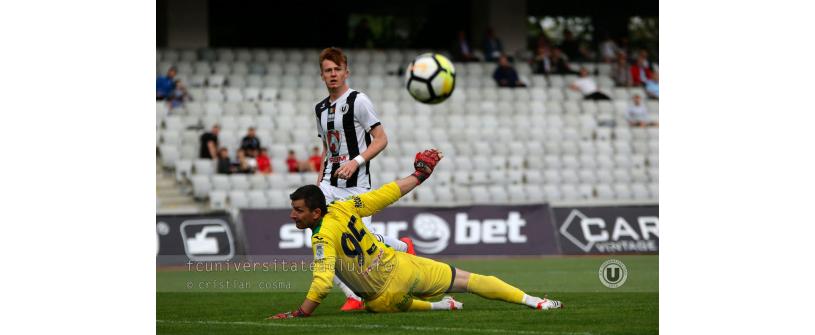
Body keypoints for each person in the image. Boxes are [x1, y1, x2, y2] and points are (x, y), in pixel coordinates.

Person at [268, 149, 563, 319]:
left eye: (298, 210)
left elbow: (321, 283)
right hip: (403, 266)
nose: (293, 215)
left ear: (315, 213)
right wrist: (419, 176)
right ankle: (535, 301)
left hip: (384, 295)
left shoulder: (320, 238)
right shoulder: (346, 207)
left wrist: (299, 313)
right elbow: (385, 194)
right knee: (470, 280)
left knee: (377, 304)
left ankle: (438, 305)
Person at [314, 47, 411, 311]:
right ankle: (354, 296)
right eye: (328, 71)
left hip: (356, 186)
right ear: (322, 75)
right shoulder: (320, 109)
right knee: (322, 239)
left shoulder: (359, 101)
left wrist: (355, 162)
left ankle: (401, 247)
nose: (333, 74)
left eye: (337, 69)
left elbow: (381, 139)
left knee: (361, 241)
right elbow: (327, 149)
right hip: (327, 187)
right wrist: (317, 185)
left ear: (346, 71)